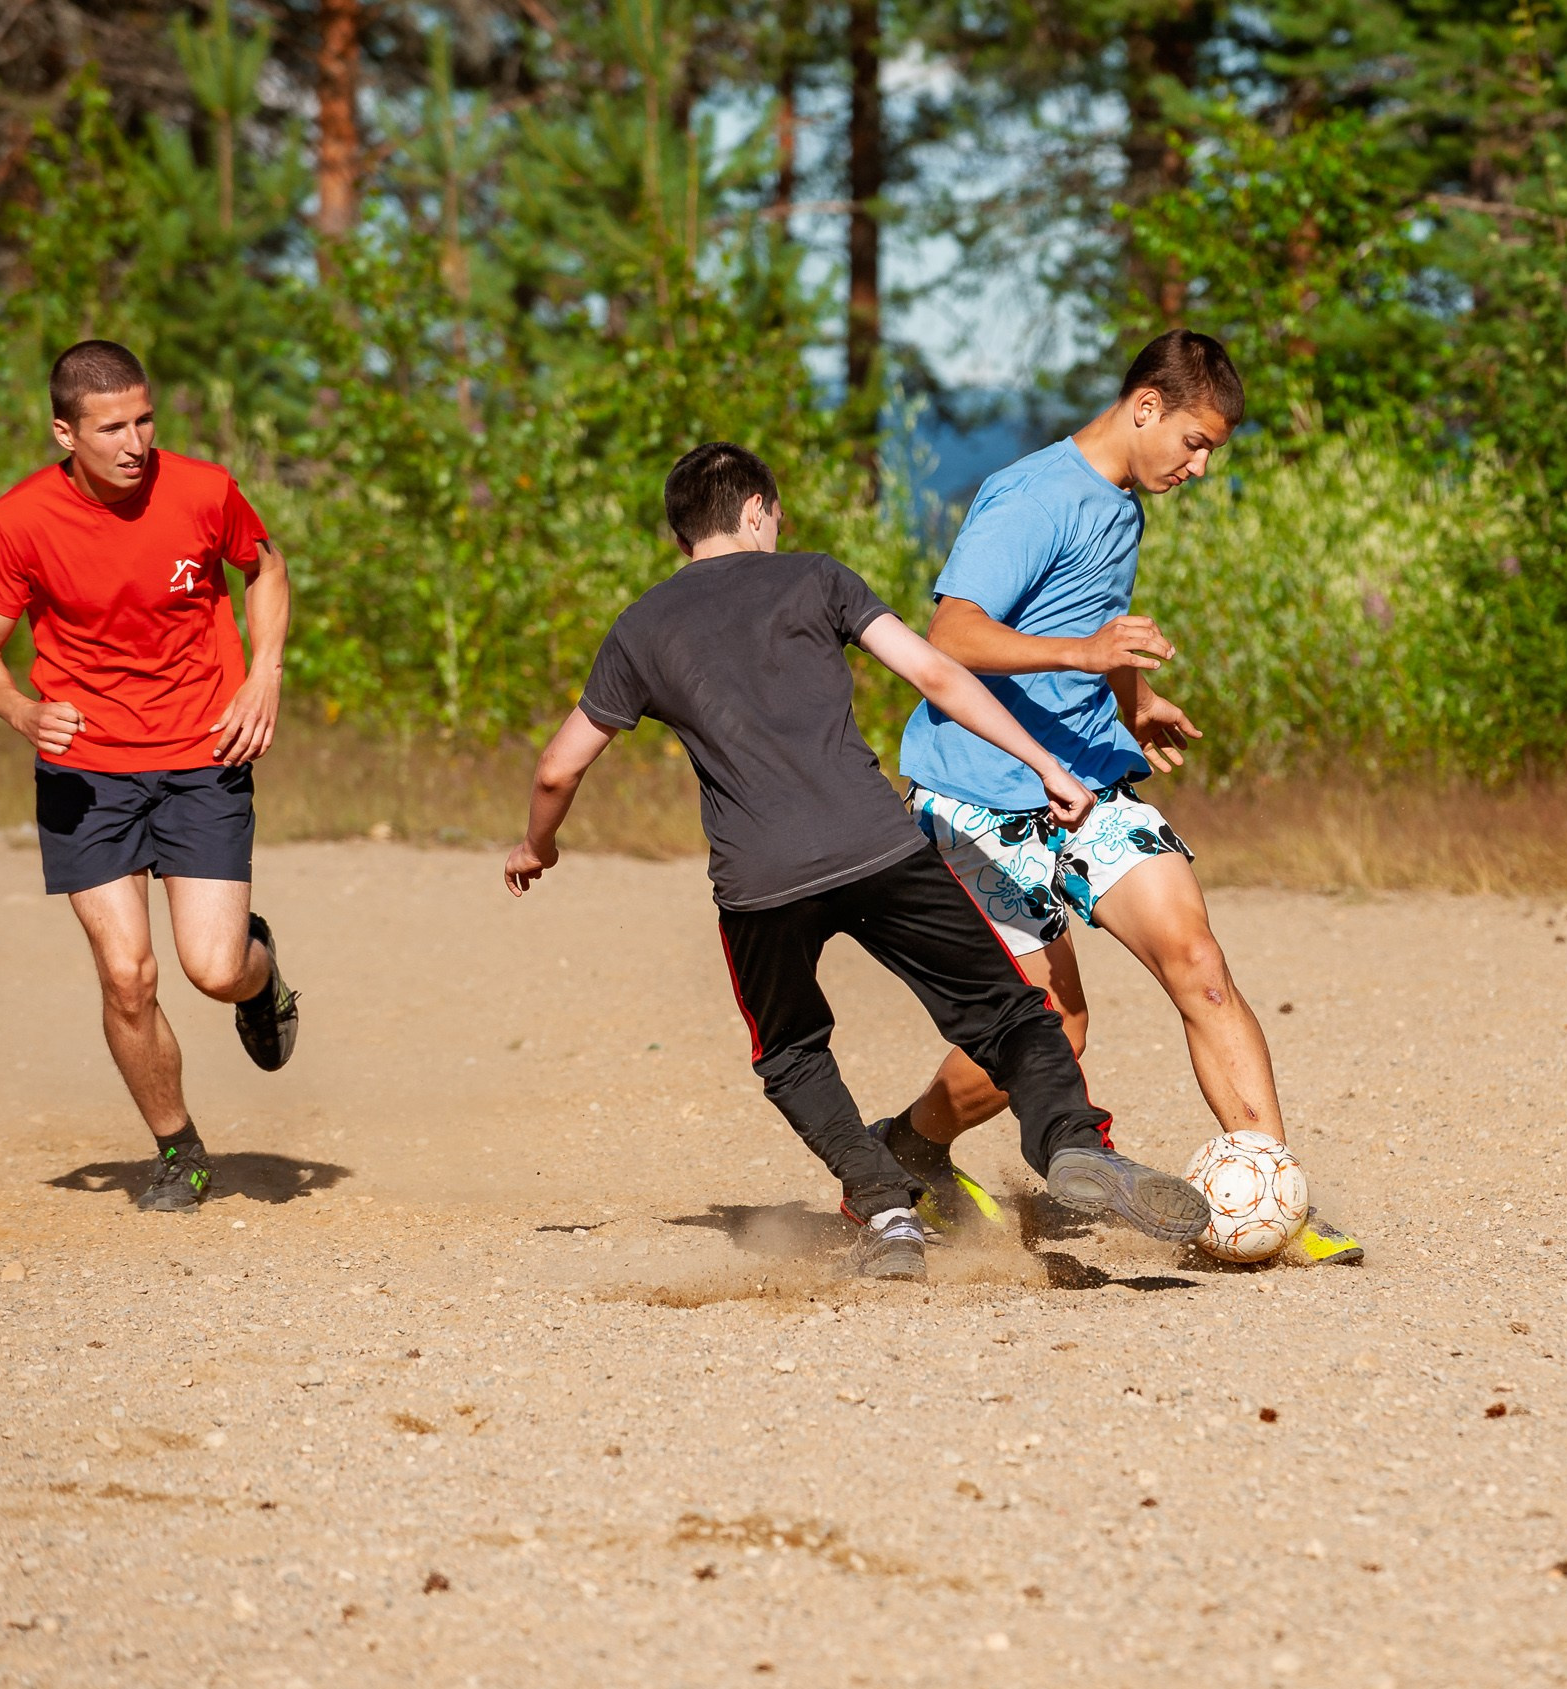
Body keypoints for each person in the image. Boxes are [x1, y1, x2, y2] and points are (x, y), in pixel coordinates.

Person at [502, 441, 1212, 1280]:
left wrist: (538, 845)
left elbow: (558, 768)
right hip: (880, 850)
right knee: (1011, 1012)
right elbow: (936, 674)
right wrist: (1045, 764)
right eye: (776, 515)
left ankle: (884, 1208)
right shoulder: (817, 578)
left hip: (761, 884)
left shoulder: (641, 627)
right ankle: (1073, 1141)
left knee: (792, 1051)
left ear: (681, 535)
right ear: (758, 511)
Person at [883, 330, 1365, 1265]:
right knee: (1054, 1029)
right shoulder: (1030, 496)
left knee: (1199, 962)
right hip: (977, 795)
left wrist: (1131, 697)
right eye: (1194, 441)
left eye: (1210, 450)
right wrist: (1088, 655)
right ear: (1146, 406)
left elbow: (1084, 618)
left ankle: (1275, 1195)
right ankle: (912, 1145)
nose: (1199, 466)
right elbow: (951, 634)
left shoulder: (1124, 502)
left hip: (1087, 781)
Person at [0, 340, 301, 1214]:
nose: (135, 442)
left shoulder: (204, 490)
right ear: (65, 432)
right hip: (87, 772)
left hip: (202, 752)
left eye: (145, 420)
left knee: (213, 967)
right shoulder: (20, 519)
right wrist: (22, 712)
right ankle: (179, 1150)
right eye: (111, 427)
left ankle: (261, 976)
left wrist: (264, 672)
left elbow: (265, 568)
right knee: (127, 974)